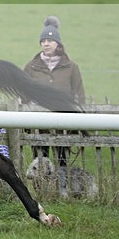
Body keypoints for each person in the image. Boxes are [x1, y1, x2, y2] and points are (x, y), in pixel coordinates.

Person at [23, 16, 85, 168]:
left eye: (50, 41)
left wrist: (79, 120)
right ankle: (41, 183)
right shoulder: (31, 67)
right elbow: (23, 95)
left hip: (64, 124)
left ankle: (62, 182)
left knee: (63, 161)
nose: (46, 44)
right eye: (43, 41)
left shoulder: (72, 68)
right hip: (38, 124)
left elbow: (80, 95)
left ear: (58, 43)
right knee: (40, 160)